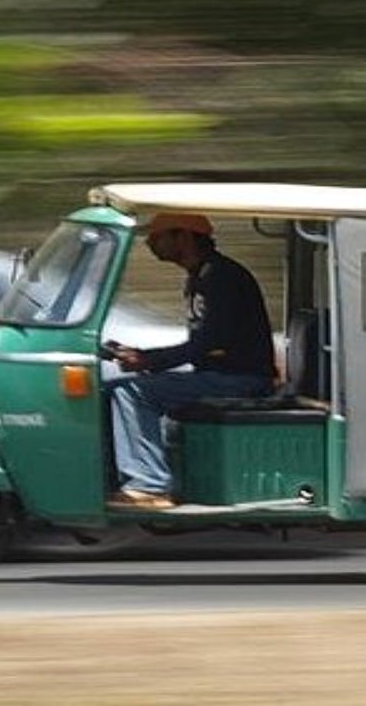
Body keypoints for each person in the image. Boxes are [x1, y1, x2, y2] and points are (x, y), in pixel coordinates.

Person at [104, 212, 276, 509]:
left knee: (131, 391)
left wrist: (149, 361)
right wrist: (145, 358)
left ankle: (150, 485)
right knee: (117, 387)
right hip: (222, 374)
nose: (149, 243)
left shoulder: (222, 277)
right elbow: (203, 344)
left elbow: (209, 343)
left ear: (183, 237)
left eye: (157, 236)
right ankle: (127, 477)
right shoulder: (201, 276)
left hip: (240, 380)